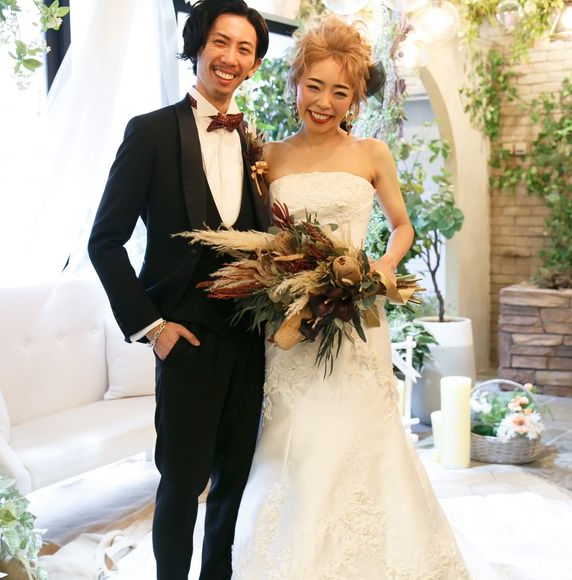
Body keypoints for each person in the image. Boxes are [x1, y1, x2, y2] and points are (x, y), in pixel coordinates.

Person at [231, 17, 478, 579]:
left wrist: (380, 268)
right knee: (298, 435)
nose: (324, 102)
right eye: (314, 86)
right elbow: (264, 236)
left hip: (357, 316)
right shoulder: (269, 157)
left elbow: (402, 226)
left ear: (355, 99)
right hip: (292, 321)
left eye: (339, 92)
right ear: (295, 83)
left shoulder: (372, 153)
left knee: (362, 432)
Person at [88, 1, 270, 578]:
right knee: (181, 483)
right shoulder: (150, 132)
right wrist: (153, 327)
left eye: (245, 49)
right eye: (221, 42)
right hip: (186, 339)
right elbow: (105, 241)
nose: (230, 57)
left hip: (251, 339)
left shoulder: (254, 142)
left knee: (235, 479)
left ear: (254, 64)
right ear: (197, 46)